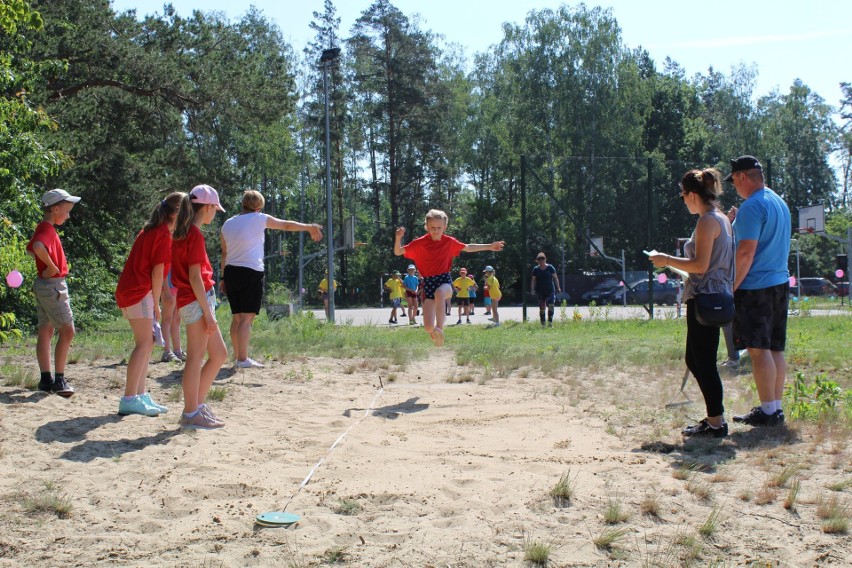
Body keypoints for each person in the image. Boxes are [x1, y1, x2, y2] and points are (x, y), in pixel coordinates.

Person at [651, 168, 734, 437]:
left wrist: (667, 260)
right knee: (696, 358)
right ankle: (714, 418)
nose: (683, 200)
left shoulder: (708, 221)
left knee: (704, 361)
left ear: (692, 194)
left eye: (683, 195)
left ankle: (716, 422)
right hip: (711, 293)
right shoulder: (719, 219)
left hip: (707, 295)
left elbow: (700, 265)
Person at [220, 190, 322, 368]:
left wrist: (223, 278)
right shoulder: (259, 218)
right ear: (258, 207)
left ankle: (238, 357)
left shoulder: (228, 223)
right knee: (247, 319)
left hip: (230, 272)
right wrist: (308, 227)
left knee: (236, 317)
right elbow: (286, 226)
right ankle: (243, 359)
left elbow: (225, 253)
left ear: (243, 204)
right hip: (250, 271)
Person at [727, 156, 791, 427]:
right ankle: (774, 408)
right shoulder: (777, 201)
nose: (735, 189)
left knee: (758, 349)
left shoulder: (752, 206)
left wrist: (731, 288)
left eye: (734, 182)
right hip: (779, 283)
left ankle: (767, 412)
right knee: (775, 349)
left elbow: (745, 253)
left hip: (757, 287)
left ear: (742, 177)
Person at [114, 192, 185, 416]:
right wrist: (156, 303)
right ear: (176, 214)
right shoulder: (162, 235)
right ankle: (129, 398)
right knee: (144, 344)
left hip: (133, 290)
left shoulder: (153, 231)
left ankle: (140, 395)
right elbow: (157, 272)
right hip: (139, 291)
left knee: (148, 341)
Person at [394, 209, 504, 346]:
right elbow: (398, 252)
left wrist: (489, 247)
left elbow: (468, 247)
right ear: (426, 227)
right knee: (428, 327)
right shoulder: (419, 243)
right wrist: (398, 237)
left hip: (443, 280)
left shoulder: (449, 242)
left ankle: (440, 328)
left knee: (440, 293)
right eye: (432, 227)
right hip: (428, 282)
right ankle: (434, 332)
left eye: (439, 227)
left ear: (445, 227)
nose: (436, 230)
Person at [171, 184, 229, 429]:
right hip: (196, 300)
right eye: (215, 208)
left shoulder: (185, 233)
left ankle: (196, 406)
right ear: (207, 208)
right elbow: (195, 277)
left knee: (219, 355)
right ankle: (191, 411)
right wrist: (208, 312)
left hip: (197, 299)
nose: (216, 213)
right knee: (196, 356)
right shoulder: (193, 235)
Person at [26, 189, 81, 398]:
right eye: (66, 211)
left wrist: (44, 264)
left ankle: (46, 379)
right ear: (55, 209)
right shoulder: (46, 230)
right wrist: (50, 266)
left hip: (44, 284)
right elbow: (38, 246)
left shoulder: (44, 228)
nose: (68, 216)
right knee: (67, 331)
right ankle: (59, 380)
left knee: (46, 330)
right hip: (53, 285)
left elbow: (30, 248)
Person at [720, 206, 740, 370]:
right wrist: (729, 220)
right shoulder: (728, 225)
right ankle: (733, 356)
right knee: (728, 320)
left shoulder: (747, 223)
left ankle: (737, 356)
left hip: (742, 279)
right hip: (729, 279)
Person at [159, 272, 185, 362]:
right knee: (167, 318)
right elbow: (163, 270)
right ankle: (166, 352)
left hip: (178, 285)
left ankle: (177, 351)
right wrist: (166, 290)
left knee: (177, 319)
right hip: (168, 286)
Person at [531, 252, 561, 327]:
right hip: (540, 291)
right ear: (537, 260)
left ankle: (550, 322)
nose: (541, 260)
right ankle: (543, 324)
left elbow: (555, 278)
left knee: (551, 306)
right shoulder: (536, 269)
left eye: (542, 259)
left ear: (545, 259)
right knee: (542, 308)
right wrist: (532, 290)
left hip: (550, 290)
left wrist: (558, 288)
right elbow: (533, 280)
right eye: (539, 259)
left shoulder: (550, 268)